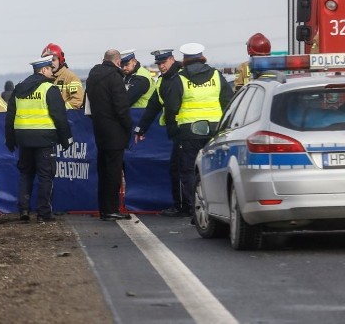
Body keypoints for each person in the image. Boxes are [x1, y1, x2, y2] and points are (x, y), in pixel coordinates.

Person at [163, 43, 234, 217]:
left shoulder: (179, 79)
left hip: (189, 132)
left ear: (184, 59)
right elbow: (228, 102)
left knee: (188, 171)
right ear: (202, 56)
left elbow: (171, 107)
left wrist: (173, 131)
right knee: (216, 170)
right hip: (215, 132)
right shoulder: (217, 76)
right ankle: (218, 209)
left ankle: (196, 208)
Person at [5, 56, 74, 223]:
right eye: (50, 68)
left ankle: (24, 210)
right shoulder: (49, 89)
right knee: (45, 176)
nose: (52, 71)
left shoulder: (19, 89)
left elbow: (10, 116)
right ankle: (44, 213)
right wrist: (67, 139)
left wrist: (10, 139)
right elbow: (59, 117)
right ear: (43, 70)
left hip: (23, 139)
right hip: (44, 139)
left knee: (25, 174)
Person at [133, 49, 189, 217]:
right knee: (181, 169)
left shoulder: (181, 76)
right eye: (159, 64)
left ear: (172, 59)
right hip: (180, 131)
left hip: (185, 130)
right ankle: (186, 206)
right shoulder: (162, 81)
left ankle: (184, 207)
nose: (161, 66)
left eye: (164, 62)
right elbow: (152, 107)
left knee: (180, 169)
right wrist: (141, 128)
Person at [85, 49, 133, 221]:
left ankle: (104, 209)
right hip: (115, 132)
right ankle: (112, 209)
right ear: (118, 61)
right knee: (113, 173)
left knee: (103, 171)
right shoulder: (115, 78)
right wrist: (129, 127)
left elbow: (88, 104)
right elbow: (121, 108)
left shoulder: (92, 76)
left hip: (99, 129)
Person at [41, 43, 84, 109]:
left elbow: (77, 101)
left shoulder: (70, 77)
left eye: (53, 60)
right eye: (48, 61)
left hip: (66, 117)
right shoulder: (41, 79)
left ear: (60, 60)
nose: (51, 63)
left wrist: (58, 110)